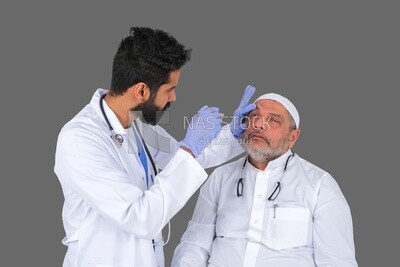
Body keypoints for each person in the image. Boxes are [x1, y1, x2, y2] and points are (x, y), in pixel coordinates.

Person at [54, 26, 256, 267]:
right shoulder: (80, 140)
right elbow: (139, 217)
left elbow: (187, 159)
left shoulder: (138, 127)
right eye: (170, 89)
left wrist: (234, 133)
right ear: (141, 90)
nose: (174, 98)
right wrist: (189, 150)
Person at [172, 92, 358, 266]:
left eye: (273, 121)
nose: (259, 125)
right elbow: (194, 246)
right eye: (254, 117)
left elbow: (337, 261)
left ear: (293, 137)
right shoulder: (220, 178)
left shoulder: (320, 185)